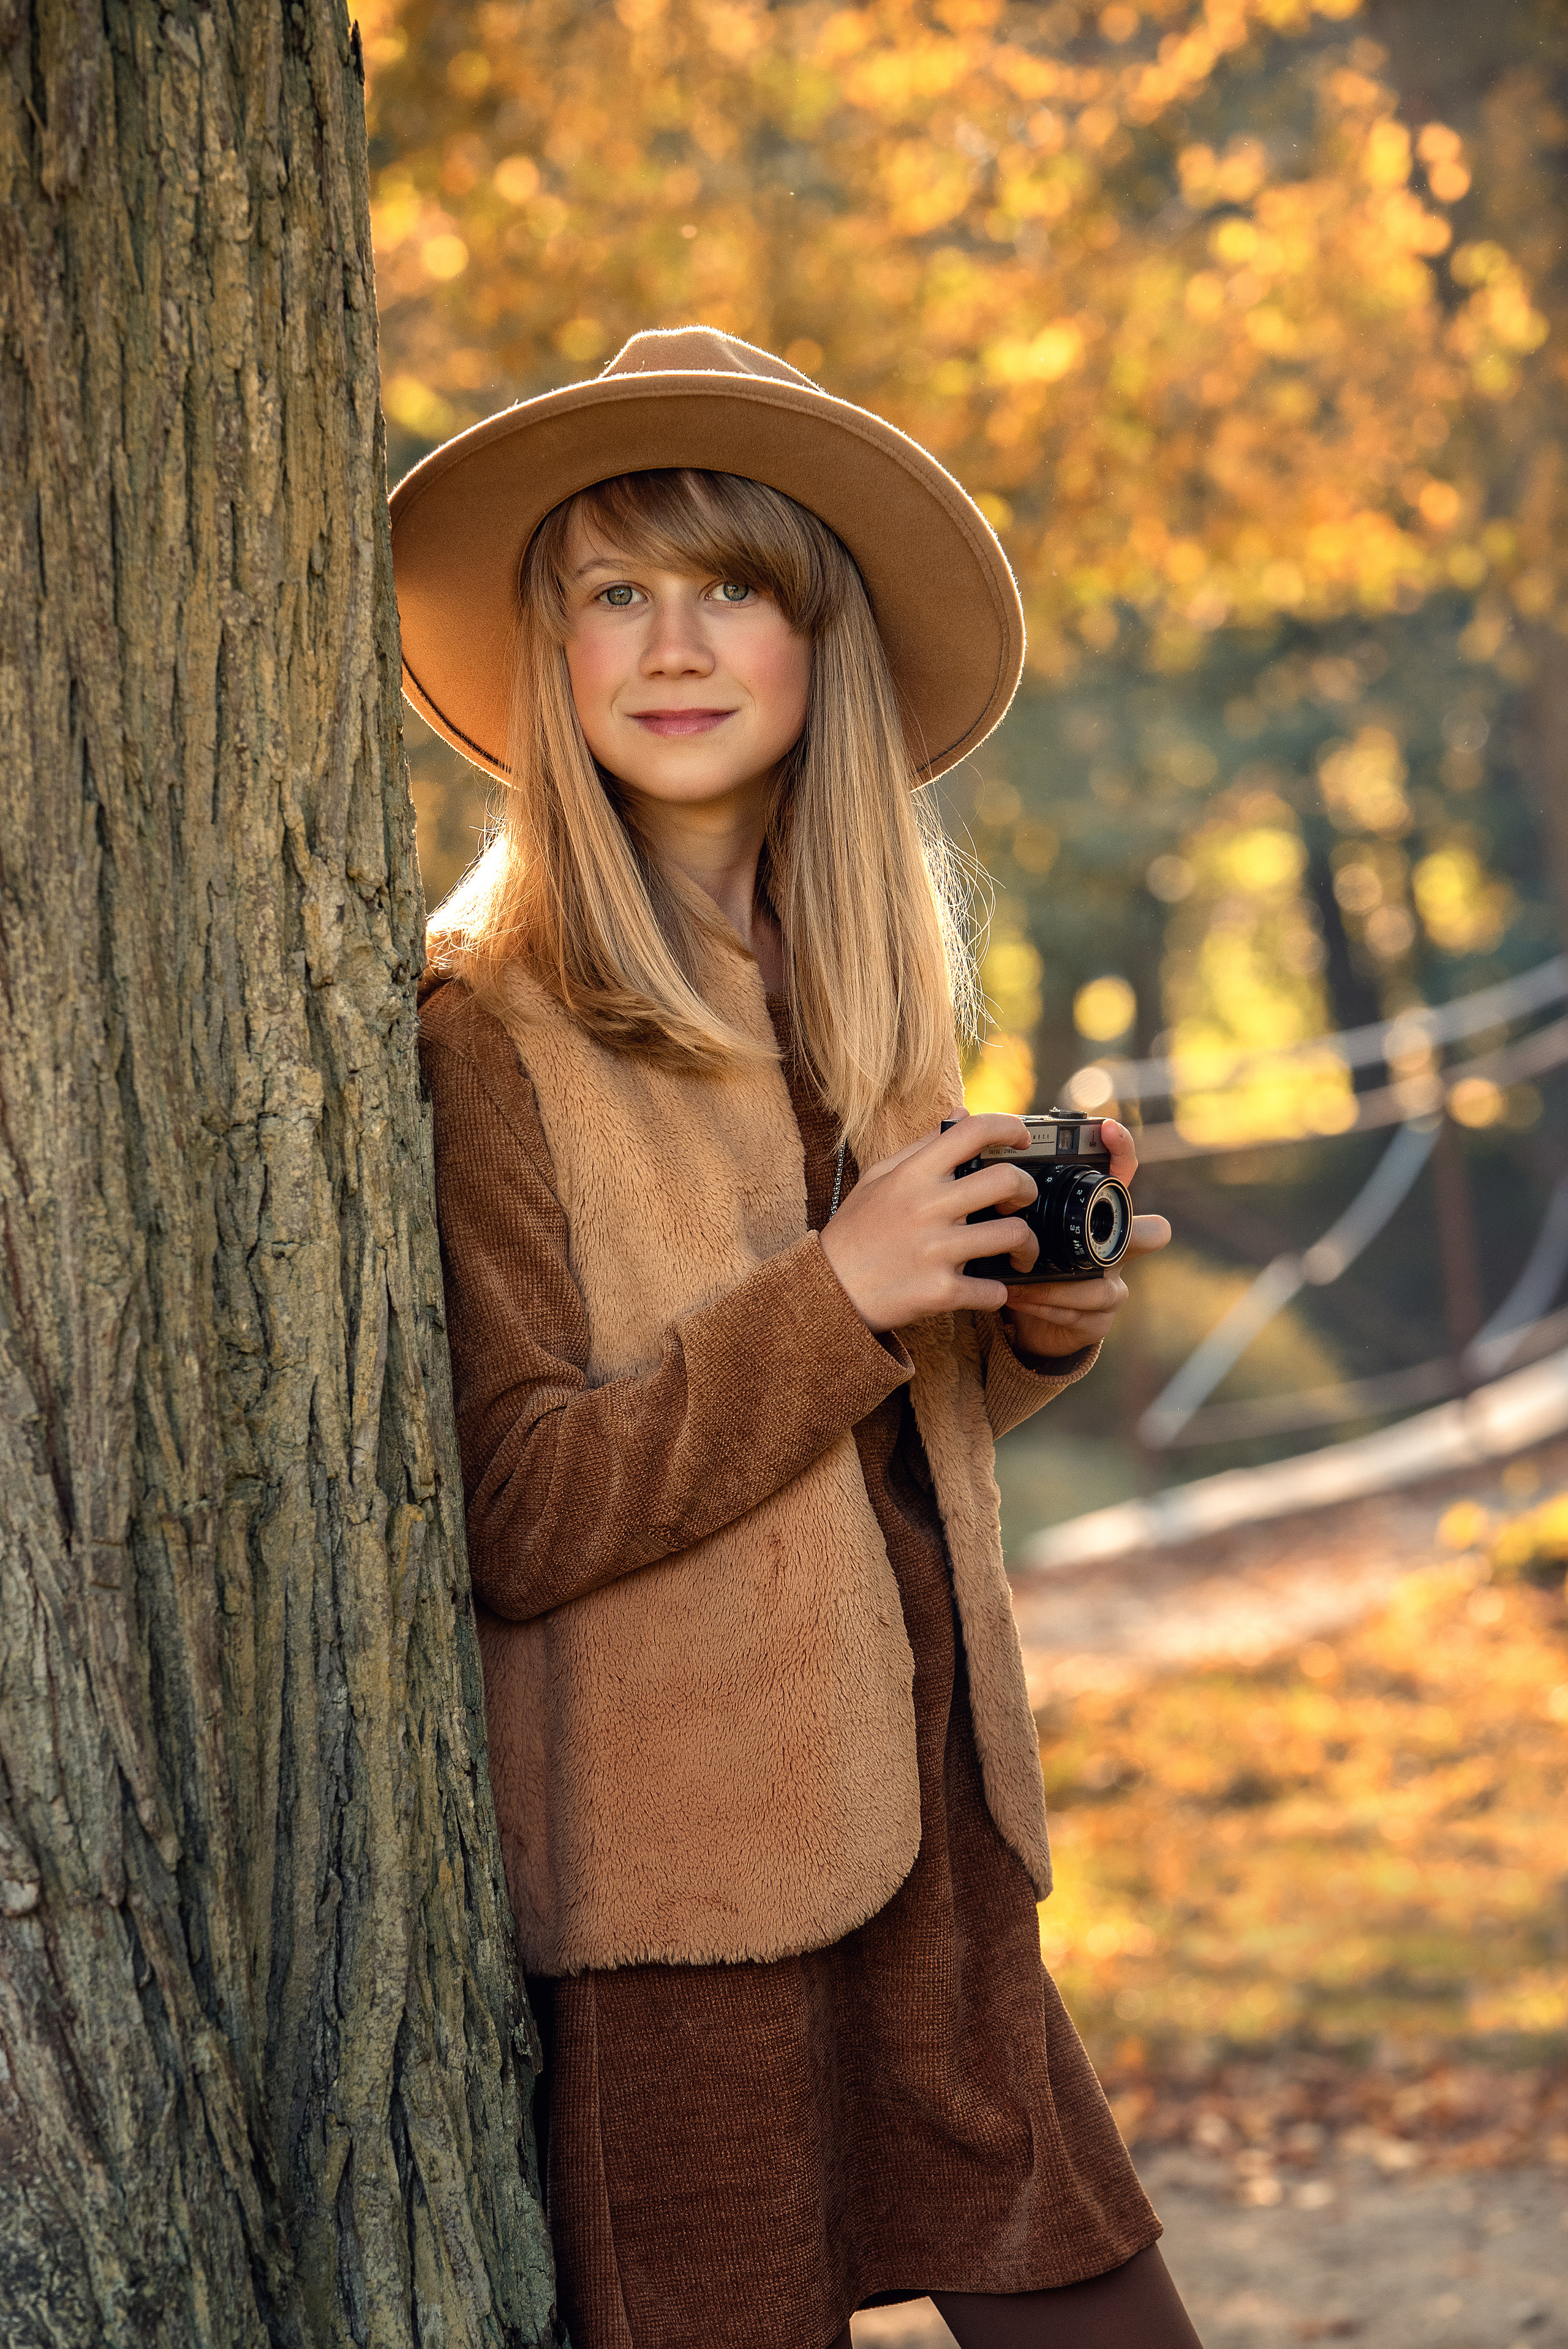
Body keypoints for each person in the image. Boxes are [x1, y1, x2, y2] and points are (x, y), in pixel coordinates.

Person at [391, 327, 1199, 2349]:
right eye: (614, 591)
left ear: (823, 643)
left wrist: (1028, 1332)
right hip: (685, 1904)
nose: (674, 643)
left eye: (733, 585)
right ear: (546, 654)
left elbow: (880, 1429)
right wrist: (837, 1289)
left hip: (941, 1855)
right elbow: (512, 1499)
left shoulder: (859, 999)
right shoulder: (485, 1022)